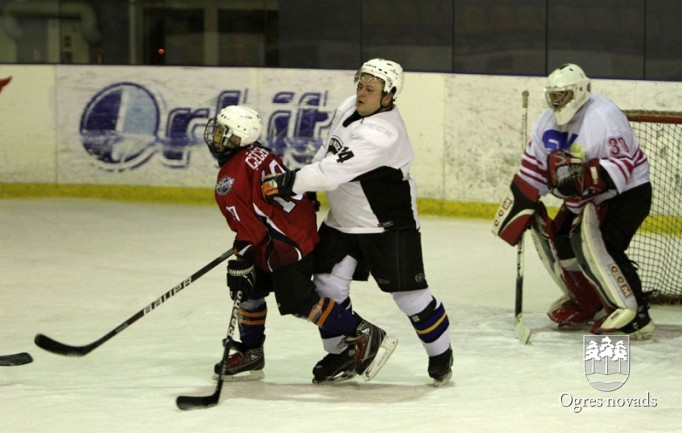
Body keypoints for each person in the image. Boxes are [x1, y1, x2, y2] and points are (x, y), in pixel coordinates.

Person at [261, 58, 453, 386]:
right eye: (361, 85)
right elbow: (328, 153)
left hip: (387, 225)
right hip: (342, 220)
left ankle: (441, 355)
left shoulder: (383, 134)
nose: (362, 93)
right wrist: (306, 186)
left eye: (371, 89)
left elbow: (333, 171)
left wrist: (291, 182)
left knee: (409, 297)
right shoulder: (350, 106)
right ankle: (344, 352)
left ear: (388, 97)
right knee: (325, 285)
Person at [204, 104, 395, 382]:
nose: (216, 137)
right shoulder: (261, 153)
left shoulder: (229, 181)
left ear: (240, 137)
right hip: (294, 233)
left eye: (223, 133)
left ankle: (363, 330)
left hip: (284, 246)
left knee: (298, 301)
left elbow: (251, 232)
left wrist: (242, 258)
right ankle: (252, 352)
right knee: (249, 290)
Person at [492, 63, 654, 340]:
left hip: (626, 194)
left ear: (579, 91)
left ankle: (638, 316)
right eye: (553, 95)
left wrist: (590, 176)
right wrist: (520, 204)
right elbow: (534, 169)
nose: (557, 101)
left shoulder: (604, 116)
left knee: (604, 246)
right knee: (561, 241)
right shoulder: (545, 122)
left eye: (563, 94)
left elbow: (623, 165)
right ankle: (589, 301)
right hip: (583, 200)